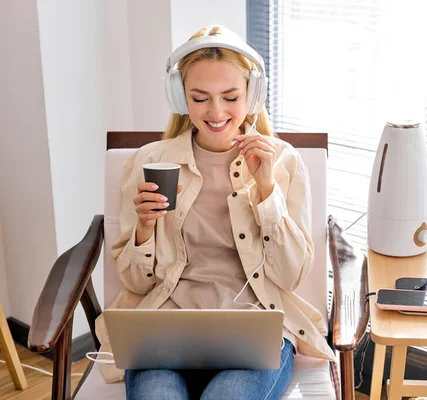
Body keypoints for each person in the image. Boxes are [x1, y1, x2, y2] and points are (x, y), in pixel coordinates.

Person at [94, 24, 335, 399]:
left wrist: (266, 190)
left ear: (252, 95)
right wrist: (144, 228)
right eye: (200, 97)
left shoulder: (283, 162)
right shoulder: (151, 162)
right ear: (180, 97)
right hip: (164, 327)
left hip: (254, 327)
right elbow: (137, 284)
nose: (216, 111)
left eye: (230, 96)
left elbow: (290, 276)